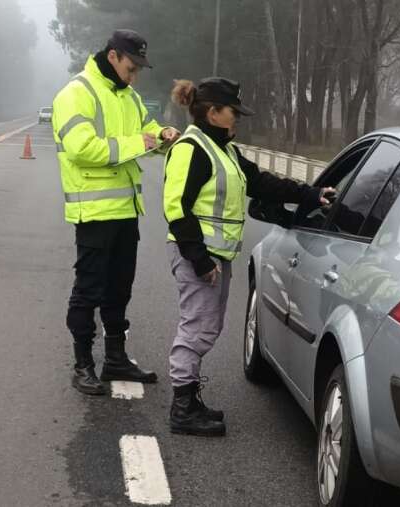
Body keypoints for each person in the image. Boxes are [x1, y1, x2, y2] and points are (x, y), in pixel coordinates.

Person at [163, 77, 333, 436]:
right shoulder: (191, 148)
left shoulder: (224, 150)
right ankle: (182, 408)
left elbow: (262, 183)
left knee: (207, 326)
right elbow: (176, 208)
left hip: (215, 255)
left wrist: (311, 194)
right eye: (233, 112)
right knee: (197, 327)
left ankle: (189, 399)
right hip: (200, 255)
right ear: (213, 112)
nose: (237, 118)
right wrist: (200, 259)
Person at [52, 29, 181, 395]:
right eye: (131, 65)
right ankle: (82, 364)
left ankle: (115, 359)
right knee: (88, 291)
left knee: (119, 290)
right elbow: (81, 148)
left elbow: (149, 130)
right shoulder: (77, 93)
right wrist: (139, 143)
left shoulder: (128, 97)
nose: (135, 74)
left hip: (126, 211)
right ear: (113, 56)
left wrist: (165, 134)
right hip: (93, 213)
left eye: (139, 68)